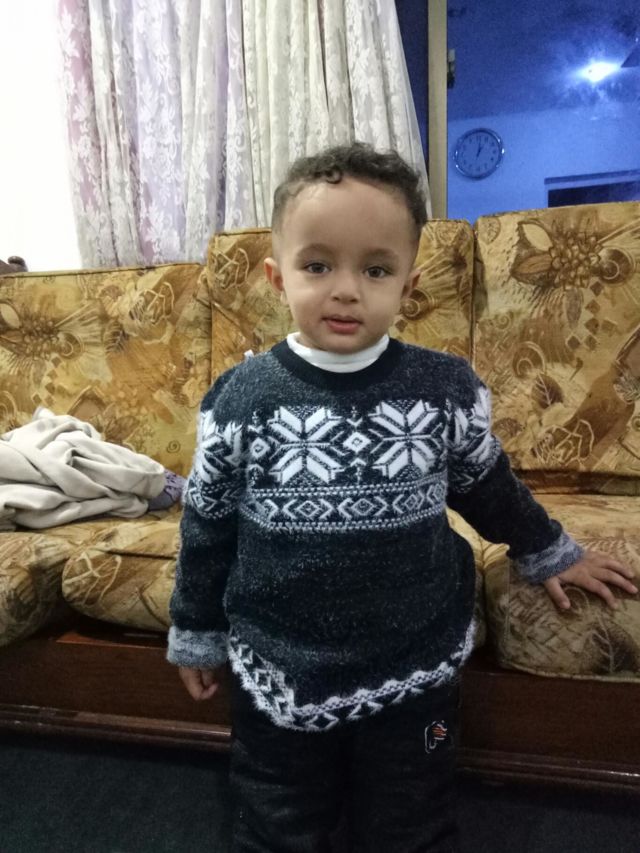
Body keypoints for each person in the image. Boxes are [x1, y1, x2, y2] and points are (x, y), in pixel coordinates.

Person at [167, 142, 638, 852]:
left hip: (419, 671)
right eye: (318, 265)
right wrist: (196, 630)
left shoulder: (443, 387)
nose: (346, 289)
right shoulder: (240, 399)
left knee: (414, 815)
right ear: (276, 276)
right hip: (277, 669)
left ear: (409, 284)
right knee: (277, 818)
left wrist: (550, 550)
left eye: (376, 269)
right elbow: (206, 526)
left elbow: (487, 485)